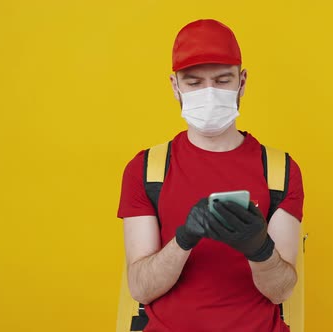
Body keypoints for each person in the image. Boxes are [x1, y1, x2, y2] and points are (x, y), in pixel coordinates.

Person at [117, 19, 304, 332]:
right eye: (193, 83)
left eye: (222, 80)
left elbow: (282, 290)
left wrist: (259, 249)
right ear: (175, 86)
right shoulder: (147, 168)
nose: (209, 94)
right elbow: (140, 287)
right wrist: (184, 239)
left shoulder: (280, 170)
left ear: (242, 82)